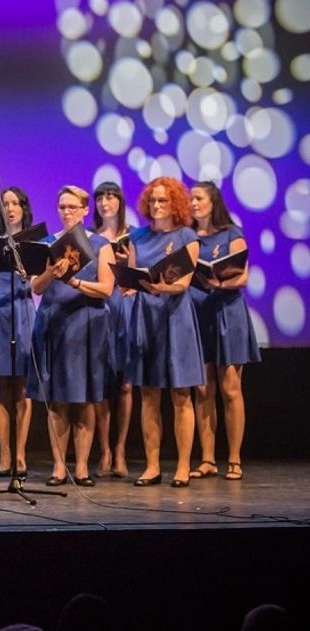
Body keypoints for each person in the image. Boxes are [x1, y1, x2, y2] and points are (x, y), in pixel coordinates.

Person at [28, 186, 115, 487]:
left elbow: (106, 289)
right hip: (54, 322)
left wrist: (74, 280)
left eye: (72, 207)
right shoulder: (47, 245)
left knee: (85, 398)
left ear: (85, 209)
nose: (66, 212)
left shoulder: (101, 244)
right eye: (62, 206)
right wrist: (52, 272)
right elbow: (36, 288)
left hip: (87, 324)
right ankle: (58, 467)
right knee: (57, 401)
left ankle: (81, 468)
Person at [122, 177, 204, 487]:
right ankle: (152, 465)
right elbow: (130, 276)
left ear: (175, 204)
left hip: (175, 318)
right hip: (146, 317)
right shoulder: (138, 236)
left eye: (163, 201)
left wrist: (161, 287)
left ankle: (183, 466)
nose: (157, 206)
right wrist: (129, 288)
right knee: (149, 395)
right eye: (153, 201)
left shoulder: (188, 236)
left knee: (181, 394)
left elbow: (183, 284)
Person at [189, 181, 260, 481]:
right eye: (191, 199)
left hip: (227, 313)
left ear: (212, 201)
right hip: (198, 313)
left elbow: (242, 277)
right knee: (203, 390)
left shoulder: (232, 233)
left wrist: (220, 283)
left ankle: (234, 458)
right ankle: (207, 458)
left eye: (198, 198)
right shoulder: (187, 236)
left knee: (230, 389)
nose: (193, 203)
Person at [0, 186, 37, 478]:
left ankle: (20, 453)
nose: (10, 208)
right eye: (5, 203)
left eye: (16, 202)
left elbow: (42, 279)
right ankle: (4, 454)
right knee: (0, 387)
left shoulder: (34, 242)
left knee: (21, 386)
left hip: (23, 311)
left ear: (23, 207)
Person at [91, 181, 134, 478]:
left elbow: (141, 274)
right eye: (101, 198)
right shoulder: (91, 239)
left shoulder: (133, 236)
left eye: (111, 197)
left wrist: (127, 262)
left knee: (127, 384)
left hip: (127, 308)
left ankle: (121, 449)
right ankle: (104, 449)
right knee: (102, 384)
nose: (106, 203)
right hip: (100, 311)